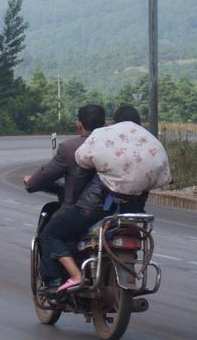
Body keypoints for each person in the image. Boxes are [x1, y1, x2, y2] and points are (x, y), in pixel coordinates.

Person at [46, 106, 171, 293]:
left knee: (51, 234)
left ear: (113, 121)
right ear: (139, 122)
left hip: (97, 206)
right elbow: (165, 178)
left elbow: (81, 160)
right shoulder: (152, 140)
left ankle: (75, 275)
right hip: (134, 210)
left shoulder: (103, 134)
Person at [23, 104, 106, 287]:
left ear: (79, 124)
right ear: (105, 124)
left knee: (48, 234)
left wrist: (31, 182)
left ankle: (54, 282)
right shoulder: (115, 146)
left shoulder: (70, 148)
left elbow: (46, 174)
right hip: (114, 209)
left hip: (82, 209)